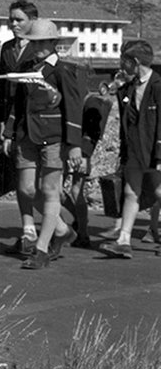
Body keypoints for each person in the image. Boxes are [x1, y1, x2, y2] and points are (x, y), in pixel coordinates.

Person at [3, 19, 83, 269]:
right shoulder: (26, 67)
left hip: (54, 138)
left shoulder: (63, 71)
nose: (36, 46)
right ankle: (61, 230)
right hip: (27, 135)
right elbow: (18, 102)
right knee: (27, 189)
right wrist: (9, 132)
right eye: (33, 41)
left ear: (53, 43)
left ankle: (41, 249)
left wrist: (74, 144)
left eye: (41, 42)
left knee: (49, 191)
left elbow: (73, 107)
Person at [101, 40, 161, 259]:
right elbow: (123, 110)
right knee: (130, 191)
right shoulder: (130, 85)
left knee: (158, 192)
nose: (120, 65)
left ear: (135, 62)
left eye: (123, 61)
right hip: (134, 149)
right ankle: (124, 240)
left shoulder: (157, 85)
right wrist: (116, 85)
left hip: (153, 149)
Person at [0, 0, 41, 255]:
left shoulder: (40, 48)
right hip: (13, 122)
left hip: (37, 121)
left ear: (32, 20)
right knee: (23, 181)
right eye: (11, 19)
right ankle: (28, 230)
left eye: (19, 19)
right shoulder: (7, 49)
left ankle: (69, 224)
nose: (13, 24)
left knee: (42, 186)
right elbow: (1, 87)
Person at [61, 83, 113, 248]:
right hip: (77, 149)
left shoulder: (92, 102)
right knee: (69, 190)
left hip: (80, 150)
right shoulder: (87, 101)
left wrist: (84, 154)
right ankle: (80, 224)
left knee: (72, 190)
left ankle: (82, 230)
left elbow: (92, 132)